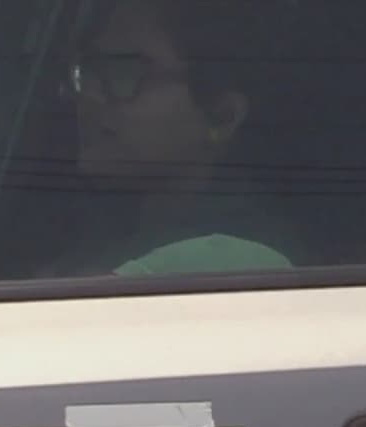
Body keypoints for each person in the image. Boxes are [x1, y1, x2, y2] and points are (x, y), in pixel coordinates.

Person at [69, 0, 294, 275]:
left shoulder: (234, 262)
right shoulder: (101, 225)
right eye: (88, 69)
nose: (88, 95)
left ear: (222, 116)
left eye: (125, 72)